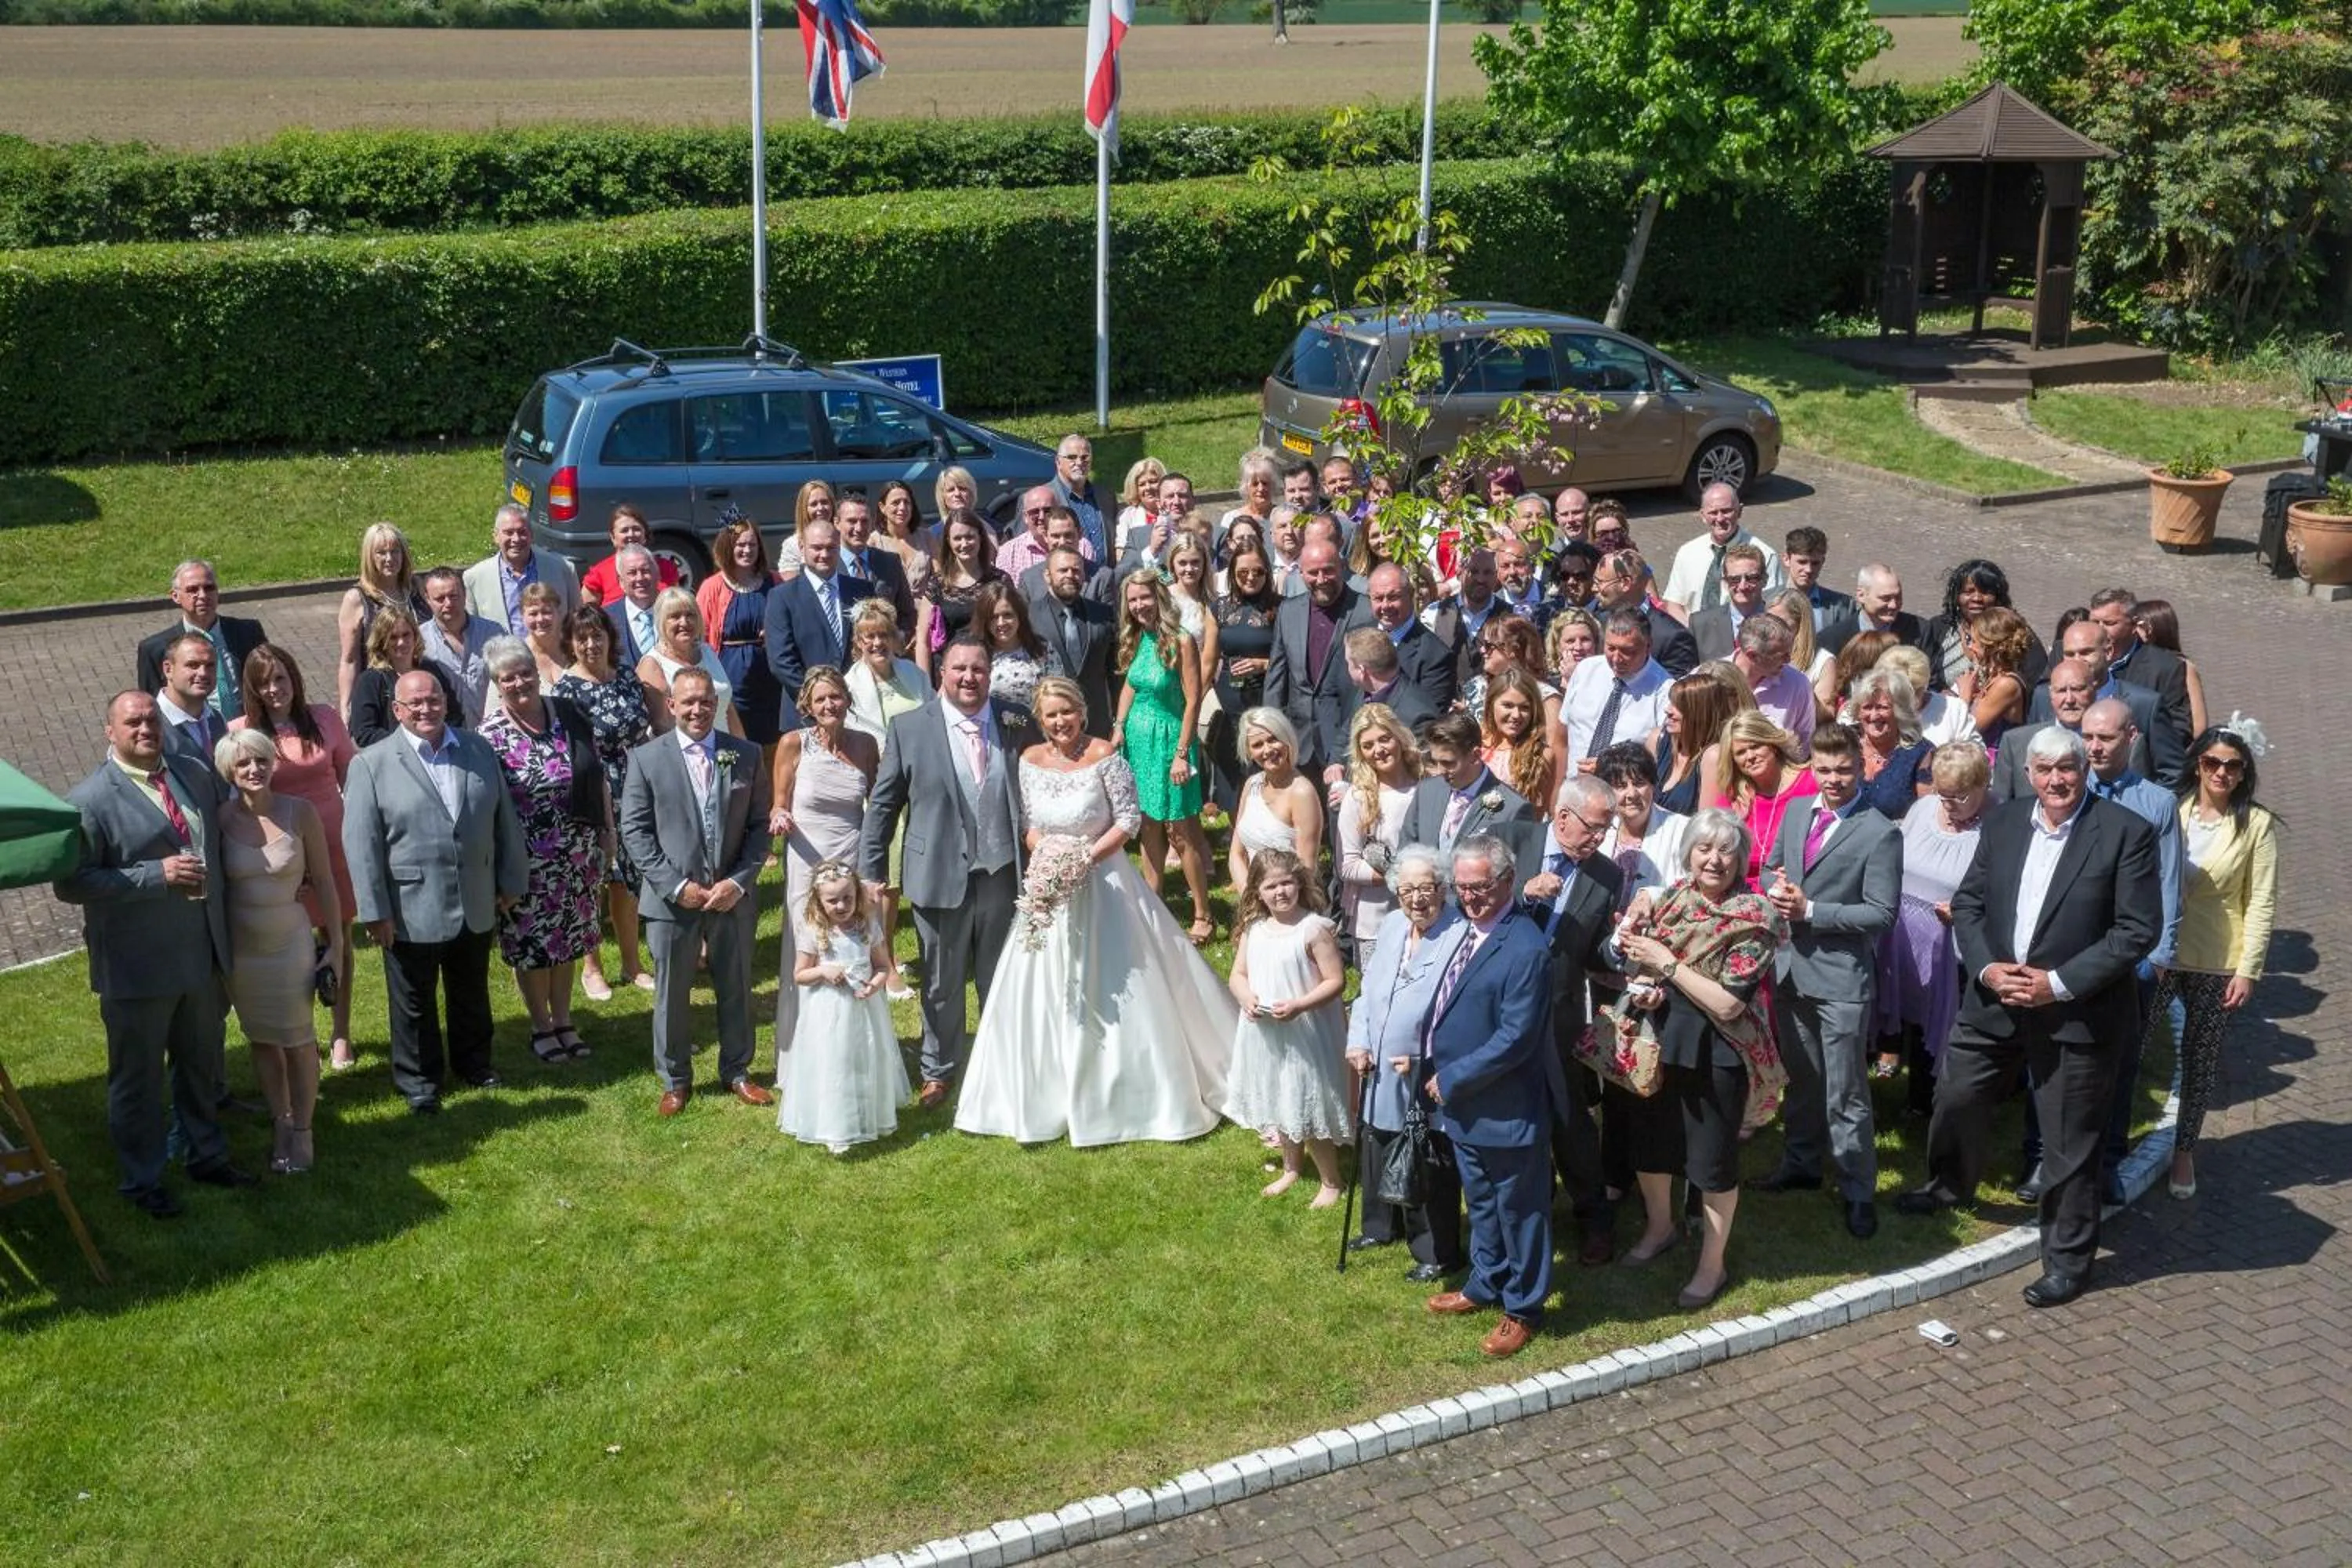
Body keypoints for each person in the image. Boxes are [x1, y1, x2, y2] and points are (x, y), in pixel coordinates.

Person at [1896, 726, 2161, 1309]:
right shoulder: (2005, 822)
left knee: (2069, 1140)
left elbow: (2137, 931)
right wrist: (1988, 970)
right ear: (2029, 775)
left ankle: (2067, 1260)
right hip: (1996, 997)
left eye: (2067, 768)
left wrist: (2058, 985)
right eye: (2045, 770)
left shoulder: (2126, 834)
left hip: (2076, 1013)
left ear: (2085, 770)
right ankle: (1948, 1186)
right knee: (1958, 1092)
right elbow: (1969, 903)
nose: (2057, 780)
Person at [955, 676, 1236, 1145]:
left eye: (1068, 712)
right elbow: (1028, 823)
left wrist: (1083, 858)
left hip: (1104, 881)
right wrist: (1046, 855)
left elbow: (1128, 820)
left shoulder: (1106, 755)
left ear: (1082, 712)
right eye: (1051, 715)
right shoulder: (1029, 760)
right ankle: (1040, 1093)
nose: (1060, 722)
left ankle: (1127, 1090)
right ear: (1040, 721)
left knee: (1118, 980)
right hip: (1050, 887)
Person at [56, 691, 252, 1214]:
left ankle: (205, 1155)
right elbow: (71, 883)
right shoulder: (89, 800)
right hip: (136, 967)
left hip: (198, 956)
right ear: (110, 732)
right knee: (138, 1080)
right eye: (132, 722)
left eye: (150, 720)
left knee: (200, 1066)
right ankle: (142, 1180)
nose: (145, 728)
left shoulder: (189, 771)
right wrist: (154, 875)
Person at [1616, 810, 1787, 1308]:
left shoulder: (1755, 917)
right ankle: (1660, 1228)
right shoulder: (1672, 902)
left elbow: (1729, 1003)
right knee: (1651, 1146)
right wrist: (1648, 987)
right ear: (1688, 853)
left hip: (1720, 1053)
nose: (1714, 860)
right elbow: (1642, 968)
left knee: (1711, 1163)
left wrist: (1664, 964)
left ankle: (1712, 1265)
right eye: (1703, 849)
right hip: (1661, 1044)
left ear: (1741, 859)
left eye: (1726, 851)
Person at [343, 670, 528, 1114]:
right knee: (413, 1001)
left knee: (471, 989)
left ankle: (475, 1064)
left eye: (434, 700)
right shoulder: (371, 763)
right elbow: (361, 844)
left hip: (475, 893)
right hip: (409, 906)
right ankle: (419, 1081)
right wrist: (374, 910)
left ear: (446, 702)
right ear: (397, 711)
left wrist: (511, 879)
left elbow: (504, 818)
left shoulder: (477, 749)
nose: (426, 709)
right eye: (415, 704)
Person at [859, 636, 1033, 1108]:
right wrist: (871, 869)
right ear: (943, 673)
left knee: (1001, 976)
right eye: (959, 669)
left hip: (1001, 873)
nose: (969, 678)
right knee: (941, 979)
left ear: (990, 674)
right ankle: (939, 1070)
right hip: (938, 872)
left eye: (978, 669)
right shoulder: (911, 727)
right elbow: (883, 805)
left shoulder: (1016, 721)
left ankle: (1002, 1063)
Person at [1755, 724, 1901, 1239]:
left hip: (1840, 981)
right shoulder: (1797, 812)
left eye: (1843, 770)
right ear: (1811, 768)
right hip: (1791, 969)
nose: (1833, 780)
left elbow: (1882, 913)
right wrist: (1776, 886)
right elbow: (1773, 866)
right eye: (1824, 770)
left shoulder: (1880, 831)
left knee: (1846, 1093)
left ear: (1861, 768)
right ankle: (1801, 1164)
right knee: (1803, 1080)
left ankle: (1859, 1189)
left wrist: (1812, 909)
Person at [1421, 833, 1559, 1359]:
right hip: (1466, 1110)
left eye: (1480, 887)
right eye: (1461, 887)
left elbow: (1517, 1037)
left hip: (1503, 1106)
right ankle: (1485, 1283)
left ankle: (1522, 1307)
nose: (1470, 897)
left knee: (1520, 1210)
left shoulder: (1526, 948)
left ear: (1507, 882)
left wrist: (1453, 1078)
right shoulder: (1465, 929)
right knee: (1481, 1202)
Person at [619, 666, 773, 1117]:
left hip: (731, 897)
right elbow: (636, 832)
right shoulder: (646, 759)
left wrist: (739, 882)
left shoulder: (744, 755)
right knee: (672, 993)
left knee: (738, 986)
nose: (698, 709)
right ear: (671, 705)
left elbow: (760, 827)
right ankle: (675, 1080)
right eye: (688, 701)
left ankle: (738, 1071)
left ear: (718, 703)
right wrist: (676, 886)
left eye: (706, 700)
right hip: (672, 902)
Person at [2154, 720, 2280, 1198]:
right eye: (2212, 763)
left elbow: (2261, 900)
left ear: (2243, 772)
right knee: (2136, 1040)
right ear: (2198, 765)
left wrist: (2248, 969)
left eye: (2231, 766)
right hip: (2165, 952)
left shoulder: (2257, 826)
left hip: (2216, 958)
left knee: (2200, 1057)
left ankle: (2184, 1152)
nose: (2221, 773)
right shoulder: (2174, 810)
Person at [212, 728, 342, 1175]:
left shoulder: (299, 812)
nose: (254, 769)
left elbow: (324, 882)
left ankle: (303, 1129)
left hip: (290, 944)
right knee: (264, 1041)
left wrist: (337, 946)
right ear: (229, 770)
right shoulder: (220, 819)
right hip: (242, 953)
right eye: (243, 763)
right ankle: (280, 1121)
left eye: (261, 760)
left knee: (299, 1042)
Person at [479, 636, 610, 1065]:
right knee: (533, 945)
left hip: (577, 852)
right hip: (526, 860)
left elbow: (598, 775)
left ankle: (564, 1019)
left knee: (570, 938)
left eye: (524, 673)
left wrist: (607, 831)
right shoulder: (490, 736)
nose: (519, 683)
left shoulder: (569, 713)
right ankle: (540, 1025)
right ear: (498, 686)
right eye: (508, 678)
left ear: (537, 674)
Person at [2072, 696, 2183, 1201]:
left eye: (2106, 738)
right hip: (2073, 951)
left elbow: (2169, 884)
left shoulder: (2156, 804)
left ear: (2132, 738)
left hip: (2131, 961)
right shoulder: (2067, 791)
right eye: (2088, 737)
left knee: (2120, 1063)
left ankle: (2110, 1161)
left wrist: (2158, 959)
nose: (2094, 747)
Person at [230, 643, 360, 1069]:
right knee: (291, 948)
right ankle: (300, 1032)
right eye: (263, 683)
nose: (274, 689)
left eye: (280, 678)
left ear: (294, 679)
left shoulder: (324, 718)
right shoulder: (242, 732)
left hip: (334, 844)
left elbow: (351, 779)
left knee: (337, 939)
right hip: (282, 853)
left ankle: (341, 1032)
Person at [1345, 848, 1468, 1279]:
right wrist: (1358, 1040)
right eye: (1407, 889)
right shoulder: (1394, 924)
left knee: (1425, 1156)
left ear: (1443, 888)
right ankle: (1380, 1227)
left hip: (1421, 1068)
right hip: (1377, 1065)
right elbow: (1367, 992)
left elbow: (1459, 1011)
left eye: (1426, 889)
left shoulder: (1459, 934)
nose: (1417, 899)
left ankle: (1434, 1250)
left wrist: (1424, 1058)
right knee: (1378, 1142)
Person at [1524, 775, 1628, 1265]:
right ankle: (1529, 1217)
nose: (1600, 839)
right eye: (1595, 828)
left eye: (1607, 831)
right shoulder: (1511, 839)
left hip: (1560, 1012)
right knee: (1515, 1117)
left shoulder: (1606, 876)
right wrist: (1524, 894)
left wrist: (1621, 944)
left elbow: (1597, 955)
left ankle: (1594, 1219)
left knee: (1570, 1120)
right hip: (1499, 1009)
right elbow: (1466, 908)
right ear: (1563, 817)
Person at [1225, 848, 1352, 1203]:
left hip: (1305, 1032)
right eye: (1270, 886)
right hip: (1266, 1030)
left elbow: (1335, 981)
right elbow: (1238, 974)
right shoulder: (1255, 930)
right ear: (1257, 892)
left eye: (1286, 883)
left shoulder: (1313, 929)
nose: (1280, 892)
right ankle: (1292, 1167)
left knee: (1307, 1100)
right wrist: (1245, 997)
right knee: (1280, 1094)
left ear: (1299, 883)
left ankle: (1331, 1180)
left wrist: (1299, 1005)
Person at [768, 666, 879, 1048]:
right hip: (806, 860)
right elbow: (778, 805)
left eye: (836, 696)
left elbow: (877, 809)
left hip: (850, 857)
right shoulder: (793, 744)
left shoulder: (865, 745)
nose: (829, 704)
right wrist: (779, 815)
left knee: (852, 943)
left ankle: (854, 1042)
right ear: (808, 706)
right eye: (821, 699)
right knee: (809, 946)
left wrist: (872, 869)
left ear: (847, 699)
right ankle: (803, 1046)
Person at [551, 604, 655, 1004]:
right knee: (594, 881)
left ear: (611, 638)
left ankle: (632, 963)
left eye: (598, 635)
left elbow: (643, 730)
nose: (591, 644)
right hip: (593, 790)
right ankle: (592, 969)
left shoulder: (627, 678)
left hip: (635, 786)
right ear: (571, 644)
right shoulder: (565, 691)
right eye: (582, 638)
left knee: (627, 879)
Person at [1874, 742, 1991, 1095]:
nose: (1948, 804)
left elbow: (2002, 892)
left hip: (1952, 946)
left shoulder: (1997, 823)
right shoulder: (1924, 808)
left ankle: (1928, 1099)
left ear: (1982, 787)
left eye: (1958, 797)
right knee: (1897, 1006)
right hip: (1902, 935)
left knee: (1938, 1024)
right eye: (1943, 795)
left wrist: (1965, 911)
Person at [1112, 568, 1216, 942]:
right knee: (1148, 829)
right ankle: (1152, 910)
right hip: (1138, 746)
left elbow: (1192, 701)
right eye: (1133, 599)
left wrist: (1181, 755)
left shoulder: (1182, 641)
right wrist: (1119, 726)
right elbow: (1130, 684)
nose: (1140, 605)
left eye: (1145, 597)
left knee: (1181, 831)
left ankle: (1204, 914)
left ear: (1159, 597)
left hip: (1170, 742)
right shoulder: (1137, 638)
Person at [779, 861, 909, 1153]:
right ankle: (834, 1124)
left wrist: (875, 985)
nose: (841, 905)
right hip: (829, 1011)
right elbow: (800, 975)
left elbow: (882, 966)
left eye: (847, 898)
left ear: (857, 895)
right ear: (818, 900)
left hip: (864, 1009)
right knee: (834, 1060)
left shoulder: (867, 927)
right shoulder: (814, 931)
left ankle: (869, 1111)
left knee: (864, 1057)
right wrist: (824, 972)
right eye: (832, 900)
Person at [1263, 539, 1376, 777]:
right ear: (1301, 574)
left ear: (1342, 567)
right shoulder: (1289, 611)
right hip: (1300, 738)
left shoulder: (1366, 611)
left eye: (1328, 570)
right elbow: (1277, 677)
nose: (1321, 579)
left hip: (1348, 737)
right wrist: (1270, 730)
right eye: (1313, 573)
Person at [763, 519, 873, 732]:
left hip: (859, 713)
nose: (824, 554)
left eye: (831, 547)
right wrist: (818, 700)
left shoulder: (862, 591)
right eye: (817, 548)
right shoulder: (782, 597)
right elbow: (781, 661)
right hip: (805, 716)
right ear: (802, 548)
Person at [1334, 702, 1421, 964]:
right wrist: (1398, 877)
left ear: (1399, 737)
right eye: (1368, 745)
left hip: (1426, 911)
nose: (1378, 750)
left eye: (1385, 739)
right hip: (1376, 917)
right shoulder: (1358, 797)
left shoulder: (1425, 785)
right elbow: (1347, 866)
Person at [1403, 710, 1541, 867]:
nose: (1440, 771)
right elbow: (1407, 851)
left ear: (1475, 755)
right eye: (1436, 762)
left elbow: (1517, 874)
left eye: (1449, 763)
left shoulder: (1513, 809)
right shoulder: (1426, 791)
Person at [695, 517, 784, 752]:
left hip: (770, 684)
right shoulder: (712, 586)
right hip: (730, 680)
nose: (747, 550)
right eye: (740, 545)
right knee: (734, 748)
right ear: (728, 547)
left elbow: (790, 623)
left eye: (752, 545)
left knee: (771, 747)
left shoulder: (774, 581)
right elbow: (699, 636)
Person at [136, 560, 267, 721]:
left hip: (247, 730)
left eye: (209, 588)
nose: (203, 595)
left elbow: (267, 680)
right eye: (192, 589)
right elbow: (151, 707)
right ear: (175, 596)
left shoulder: (248, 632)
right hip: (194, 736)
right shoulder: (155, 649)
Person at [1207, 543, 1282, 811]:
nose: (1251, 577)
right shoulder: (1220, 608)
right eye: (1243, 572)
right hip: (1229, 695)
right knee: (1231, 761)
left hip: (1265, 696)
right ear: (1232, 574)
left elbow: (1292, 659)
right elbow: (1209, 659)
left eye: (1258, 572)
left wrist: (1263, 664)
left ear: (1268, 572)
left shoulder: (1281, 607)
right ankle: (1235, 828)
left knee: (1263, 759)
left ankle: (1268, 819)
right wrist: (1198, 699)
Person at [1704, 710, 1818, 886]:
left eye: (1756, 746)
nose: (1750, 757)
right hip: (1740, 894)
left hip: (1793, 891)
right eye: (1741, 752)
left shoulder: (1811, 784)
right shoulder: (1733, 797)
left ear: (1772, 744)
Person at [2086, 586, 2194, 760]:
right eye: (2094, 623)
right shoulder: (2069, 654)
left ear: (2134, 625)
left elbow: (2178, 730)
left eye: (2109, 623)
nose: (2099, 631)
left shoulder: (2165, 668)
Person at [1229, 706, 1325, 893]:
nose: (1267, 750)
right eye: (1257, 745)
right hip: (1254, 899)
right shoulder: (1252, 785)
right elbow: (1236, 853)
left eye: (1273, 740)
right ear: (1249, 751)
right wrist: (1249, 898)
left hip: (1291, 902)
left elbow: (1307, 869)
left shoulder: (1302, 792)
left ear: (1286, 739)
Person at [335, 522, 426, 717]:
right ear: (370, 557)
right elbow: (350, 659)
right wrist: (346, 707)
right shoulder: (357, 598)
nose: (389, 559)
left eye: (395, 551)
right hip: (380, 692)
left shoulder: (416, 588)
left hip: (421, 686)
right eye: (381, 553)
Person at [1563, 610, 1671, 770]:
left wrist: (1607, 768)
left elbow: (1662, 760)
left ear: (1648, 647)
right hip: (1574, 787)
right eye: (1611, 648)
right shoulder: (1586, 670)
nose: (1616, 659)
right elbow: (1561, 736)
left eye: (1627, 651)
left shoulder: (1664, 691)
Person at [1029, 546, 1119, 737]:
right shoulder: (1029, 617)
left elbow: (1115, 671)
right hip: (1048, 726)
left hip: (1096, 723)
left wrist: (1118, 719)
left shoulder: (1103, 614)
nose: (1070, 575)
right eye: (1063, 570)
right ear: (1047, 575)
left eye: (1076, 570)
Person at [347, 606, 463, 749]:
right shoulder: (370, 681)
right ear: (381, 641)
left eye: (406, 635)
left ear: (415, 636)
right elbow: (364, 733)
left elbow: (455, 715)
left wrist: (438, 739)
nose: (401, 642)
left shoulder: (431, 671)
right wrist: (413, 743)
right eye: (393, 637)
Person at [1923, 558, 2045, 694]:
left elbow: (2038, 681)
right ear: (1956, 597)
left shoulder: (2016, 632)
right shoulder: (1939, 627)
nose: (1977, 598)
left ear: (1998, 598)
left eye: (1985, 592)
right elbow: (1919, 673)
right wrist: (1940, 692)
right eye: (1968, 592)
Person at [1661, 483, 1784, 617]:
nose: (1720, 519)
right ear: (1702, 515)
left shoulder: (1765, 555)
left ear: (1740, 511)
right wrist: (1692, 633)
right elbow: (1673, 603)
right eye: (1713, 513)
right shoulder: (1687, 553)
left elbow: (1773, 609)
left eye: (1726, 511)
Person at [1646, 667, 1751, 819]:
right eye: (1671, 703)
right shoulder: (1657, 739)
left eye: (1679, 706)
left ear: (1701, 713)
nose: (1668, 710)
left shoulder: (1713, 756)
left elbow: (1704, 823)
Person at [464, 503, 580, 636]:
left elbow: (577, 622)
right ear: (496, 536)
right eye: (508, 533)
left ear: (532, 535)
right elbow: (471, 633)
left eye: (522, 532)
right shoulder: (474, 578)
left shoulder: (563, 569)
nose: (516, 539)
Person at [640, 586, 741, 736]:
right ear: (661, 622)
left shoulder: (707, 651)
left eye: (690, 615)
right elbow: (662, 726)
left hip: (723, 751)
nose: (684, 622)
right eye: (675, 616)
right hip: (685, 754)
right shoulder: (652, 664)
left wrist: (744, 748)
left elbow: (727, 706)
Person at [922, 508, 1007, 673]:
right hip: (950, 672)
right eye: (958, 538)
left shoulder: (1000, 580)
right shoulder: (937, 584)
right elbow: (923, 640)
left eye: (969, 537)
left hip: (993, 669)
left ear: (980, 538)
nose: (964, 544)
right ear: (948, 541)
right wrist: (925, 686)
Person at [1846, 666, 1933, 819]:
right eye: (1867, 707)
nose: (1874, 716)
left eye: (1882, 708)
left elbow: (1928, 815)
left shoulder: (1921, 753)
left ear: (1900, 711)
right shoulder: (1844, 740)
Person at [419, 565, 499, 728]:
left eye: (453, 596)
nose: (448, 603)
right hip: (444, 737)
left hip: (494, 733)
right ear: (427, 599)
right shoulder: (419, 642)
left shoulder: (494, 634)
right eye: (440, 599)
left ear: (465, 594)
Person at [837, 491, 920, 644]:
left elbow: (907, 613)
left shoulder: (890, 562)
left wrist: (899, 637)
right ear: (837, 523)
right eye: (852, 521)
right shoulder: (827, 566)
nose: (859, 528)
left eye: (864, 521)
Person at [843, 599, 930, 747]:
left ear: (893, 638)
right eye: (870, 636)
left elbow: (934, 714)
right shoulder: (849, 685)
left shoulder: (914, 673)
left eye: (883, 635)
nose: (877, 643)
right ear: (858, 642)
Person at [1481, 666, 1558, 823]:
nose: (1516, 715)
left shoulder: (1540, 754)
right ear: (1491, 704)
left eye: (1524, 708)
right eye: (1508, 706)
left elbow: (1534, 817)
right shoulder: (1475, 744)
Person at [1951, 604, 2031, 753]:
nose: (1970, 647)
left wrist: (1964, 696)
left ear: (1991, 646)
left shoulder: (2007, 684)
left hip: (1996, 766)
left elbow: (1969, 730)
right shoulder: (1995, 678)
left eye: (1974, 641)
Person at [1732, 612, 1816, 753]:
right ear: (1753, 655)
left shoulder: (1797, 683)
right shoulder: (1712, 678)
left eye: (1789, 652)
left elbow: (1806, 742)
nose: (1789, 660)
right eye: (1781, 655)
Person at [2132, 598, 2209, 738]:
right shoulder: (2130, 662)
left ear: (2148, 629)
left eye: (2134, 625)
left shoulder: (2182, 666)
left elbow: (2199, 725)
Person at [577, 503, 681, 604]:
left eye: (636, 529)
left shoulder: (667, 568)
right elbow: (587, 617)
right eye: (624, 531)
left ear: (645, 534)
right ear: (613, 537)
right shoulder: (599, 574)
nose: (631, 534)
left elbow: (677, 608)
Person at [1686, 542, 1773, 662]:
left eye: (1751, 578)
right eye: (1735, 579)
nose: (1742, 586)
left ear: (1765, 580)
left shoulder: (1778, 622)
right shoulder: (1700, 624)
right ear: (1725, 583)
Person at [971, 578, 1047, 713]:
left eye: (1007, 615)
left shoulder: (1042, 649)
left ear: (1020, 615)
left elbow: (1059, 693)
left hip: (1033, 731)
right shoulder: (974, 654)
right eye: (994, 617)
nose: (1001, 623)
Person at [1819, 564, 1927, 655]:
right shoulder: (1833, 640)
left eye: (1898, 597)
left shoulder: (1921, 632)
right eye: (1885, 598)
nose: (1893, 605)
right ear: (1861, 595)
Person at [154, 633, 226, 767]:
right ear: (168, 669)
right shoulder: (147, 725)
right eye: (193, 665)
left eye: (210, 665)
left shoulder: (217, 719)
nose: (203, 673)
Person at [602, 543, 666, 671]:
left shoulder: (676, 612)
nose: (640, 578)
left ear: (657, 575)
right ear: (621, 581)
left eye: (646, 571)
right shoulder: (606, 619)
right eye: (632, 573)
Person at [1781, 525, 1854, 633]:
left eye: (1815, 563)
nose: (1809, 570)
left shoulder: (1843, 606)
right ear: (1786, 559)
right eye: (1802, 562)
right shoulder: (1766, 601)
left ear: (1823, 562)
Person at [875, 477, 941, 583]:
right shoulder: (873, 542)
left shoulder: (926, 537)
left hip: (927, 598)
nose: (902, 508)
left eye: (907, 502)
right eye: (896, 503)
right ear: (882, 507)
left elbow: (939, 577)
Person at [515, 579, 572, 694]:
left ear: (559, 612)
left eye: (547, 612)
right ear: (522, 617)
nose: (540, 619)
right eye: (533, 614)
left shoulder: (575, 650)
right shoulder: (515, 657)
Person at [773, 478, 837, 578]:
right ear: (804, 509)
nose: (820, 508)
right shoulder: (792, 545)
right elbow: (790, 586)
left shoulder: (842, 538)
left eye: (824, 502)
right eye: (814, 504)